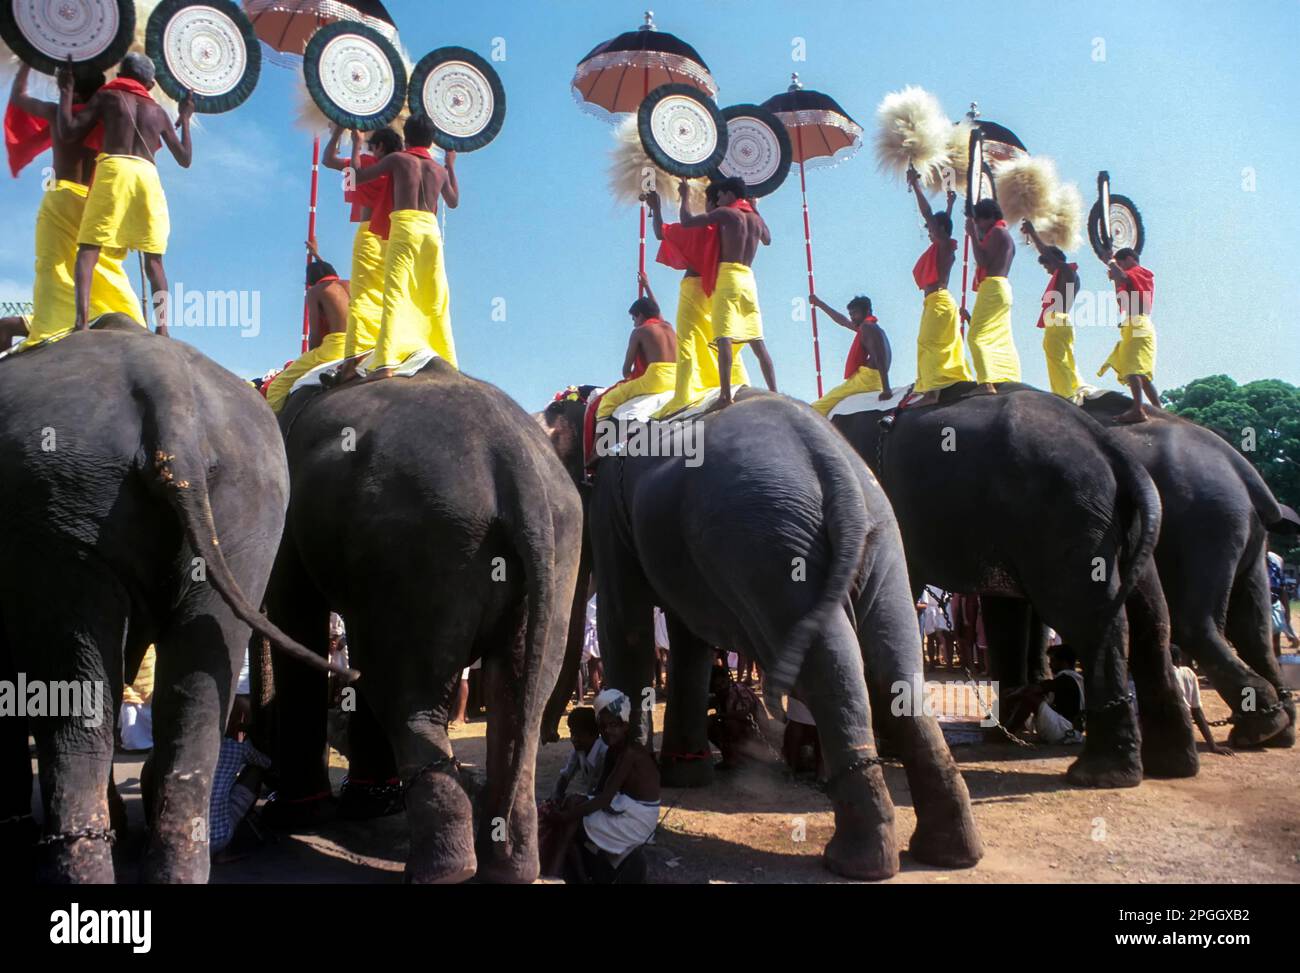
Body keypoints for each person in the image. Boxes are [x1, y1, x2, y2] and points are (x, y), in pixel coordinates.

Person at [6, 64, 145, 349]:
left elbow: (19, 98)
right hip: (96, 202)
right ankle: (130, 319)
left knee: (52, 269)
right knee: (104, 268)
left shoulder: (58, 115)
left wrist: (26, 63)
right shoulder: (111, 119)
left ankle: (52, 326)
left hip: (61, 198)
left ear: (70, 88)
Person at [56, 53, 193, 334]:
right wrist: (186, 118)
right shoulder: (158, 112)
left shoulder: (109, 98)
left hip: (115, 169)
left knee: (89, 247)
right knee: (153, 258)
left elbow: (69, 132)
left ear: (120, 74)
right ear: (150, 84)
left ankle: (80, 324)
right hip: (147, 176)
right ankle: (163, 329)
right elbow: (185, 158)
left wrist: (66, 91)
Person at [349, 113, 458, 380]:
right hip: (431, 231)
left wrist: (356, 143)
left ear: (406, 137)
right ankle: (449, 362)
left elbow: (356, 178)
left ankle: (385, 362)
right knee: (436, 297)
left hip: (406, 227)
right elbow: (453, 202)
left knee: (395, 293)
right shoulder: (439, 170)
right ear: (431, 141)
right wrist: (451, 164)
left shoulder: (398, 159)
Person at [642, 187, 750, 417]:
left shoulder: (705, 227)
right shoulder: (734, 225)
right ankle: (737, 381)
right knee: (720, 338)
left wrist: (656, 207)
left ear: (711, 205)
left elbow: (661, 233)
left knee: (689, 341)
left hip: (694, 290)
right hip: (720, 289)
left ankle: (685, 395)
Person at [677, 176, 777, 406]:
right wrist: (755, 208)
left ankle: (725, 395)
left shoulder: (727, 214)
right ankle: (775, 391)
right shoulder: (755, 220)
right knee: (757, 340)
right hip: (749, 279)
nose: (718, 199)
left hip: (729, 277)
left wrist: (684, 195)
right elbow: (769, 240)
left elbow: (687, 221)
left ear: (730, 194)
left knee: (724, 336)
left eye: (720, 195)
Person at [322, 125, 402, 380]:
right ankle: (389, 349)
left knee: (364, 296)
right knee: (388, 295)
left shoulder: (367, 162)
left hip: (369, 234)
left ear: (377, 147)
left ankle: (356, 358)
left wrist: (338, 134)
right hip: (395, 237)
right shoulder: (400, 168)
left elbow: (329, 160)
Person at [558, 688, 660, 883]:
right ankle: (583, 873)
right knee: (573, 804)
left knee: (573, 822)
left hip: (639, 817)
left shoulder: (630, 753)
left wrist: (567, 816)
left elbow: (604, 798)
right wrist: (575, 804)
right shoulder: (614, 751)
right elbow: (600, 792)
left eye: (614, 725)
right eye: (603, 726)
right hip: (623, 805)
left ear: (625, 725)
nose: (608, 731)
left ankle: (579, 877)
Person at [904, 166, 971, 404]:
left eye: (932, 230)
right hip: (938, 302)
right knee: (935, 343)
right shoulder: (943, 245)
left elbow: (929, 215)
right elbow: (941, 222)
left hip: (939, 301)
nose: (929, 233)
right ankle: (934, 388)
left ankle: (931, 393)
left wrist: (916, 186)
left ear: (940, 230)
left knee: (928, 342)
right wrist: (950, 204)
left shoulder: (943, 244)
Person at [264, 242, 351, 412]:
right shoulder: (349, 284)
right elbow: (331, 279)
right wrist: (317, 256)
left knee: (276, 388)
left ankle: (274, 435)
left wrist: (309, 356)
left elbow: (315, 334)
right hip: (364, 341)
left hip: (336, 347)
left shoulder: (315, 291)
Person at [591, 287, 678, 422]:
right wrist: (646, 285)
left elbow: (626, 370)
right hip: (678, 378)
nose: (634, 323)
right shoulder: (669, 326)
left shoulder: (639, 331)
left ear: (641, 316)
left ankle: (598, 443)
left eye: (633, 319)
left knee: (606, 401)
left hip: (657, 379)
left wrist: (635, 374)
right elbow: (656, 311)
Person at [1022, 219, 1084, 398]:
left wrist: (1033, 233)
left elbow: (1048, 254)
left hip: (1058, 321)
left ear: (1055, 261)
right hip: (1062, 322)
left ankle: (1066, 397)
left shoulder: (1067, 271)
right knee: (1063, 360)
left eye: (1047, 265)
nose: (1047, 270)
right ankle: (1070, 393)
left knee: (1057, 361)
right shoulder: (1067, 274)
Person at [963, 198, 1020, 391]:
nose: (977, 225)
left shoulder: (996, 232)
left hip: (993, 287)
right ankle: (1008, 376)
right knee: (999, 337)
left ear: (987, 217)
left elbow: (983, 260)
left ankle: (987, 383)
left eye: (978, 220)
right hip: (1003, 288)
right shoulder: (1005, 235)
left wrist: (972, 235)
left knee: (975, 337)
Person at [1097, 246, 1158, 423]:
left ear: (1130, 259)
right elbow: (1122, 299)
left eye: (1121, 262)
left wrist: (1111, 262)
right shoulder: (1131, 276)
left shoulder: (1140, 271)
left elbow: (1124, 276)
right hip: (1134, 323)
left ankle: (1137, 409)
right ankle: (1159, 409)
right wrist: (1115, 275)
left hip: (1138, 322)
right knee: (1141, 375)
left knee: (1133, 370)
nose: (1120, 266)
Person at [809, 294, 892, 415]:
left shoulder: (867, 327)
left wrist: (886, 389)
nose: (852, 318)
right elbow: (843, 321)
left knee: (818, 406)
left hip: (867, 380)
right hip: (871, 379)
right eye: (851, 314)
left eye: (855, 314)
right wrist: (819, 303)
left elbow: (880, 357)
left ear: (867, 311)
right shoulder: (870, 327)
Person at [1000, 644, 1084, 743]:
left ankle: (1007, 733)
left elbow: (1032, 690)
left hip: (1065, 730)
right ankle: (1007, 730)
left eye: (1053, 660)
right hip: (1066, 728)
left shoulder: (1066, 679)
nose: (1049, 664)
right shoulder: (1074, 678)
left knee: (1030, 698)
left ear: (1064, 663)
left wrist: (1011, 696)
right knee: (1032, 696)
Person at [1169, 645, 1233, 756]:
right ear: (1179, 661)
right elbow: (1197, 712)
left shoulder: (1156, 676)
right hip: (1185, 730)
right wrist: (1213, 746)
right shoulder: (1189, 674)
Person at [707, 663, 763, 769]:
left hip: (756, 738)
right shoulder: (721, 694)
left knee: (729, 723)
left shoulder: (738, 693)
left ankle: (735, 758)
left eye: (723, 683)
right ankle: (733, 756)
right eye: (717, 686)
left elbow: (744, 714)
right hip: (747, 736)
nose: (721, 687)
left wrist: (720, 716)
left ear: (728, 679)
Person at [552, 706, 609, 801]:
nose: (574, 739)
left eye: (579, 735)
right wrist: (556, 795)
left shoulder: (605, 754)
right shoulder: (579, 750)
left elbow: (604, 791)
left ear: (594, 734)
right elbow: (565, 776)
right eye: (572, 733)